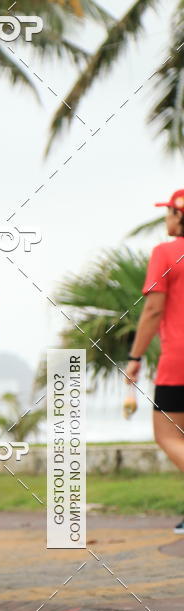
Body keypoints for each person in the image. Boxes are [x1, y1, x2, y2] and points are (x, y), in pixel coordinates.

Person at [126, 188, 184, 534]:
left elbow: (153, 310)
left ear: (180, 215)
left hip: (179, 361)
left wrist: (135, 357)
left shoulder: (166, 253)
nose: (166, 219)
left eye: (169, 213)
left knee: (167, 435)